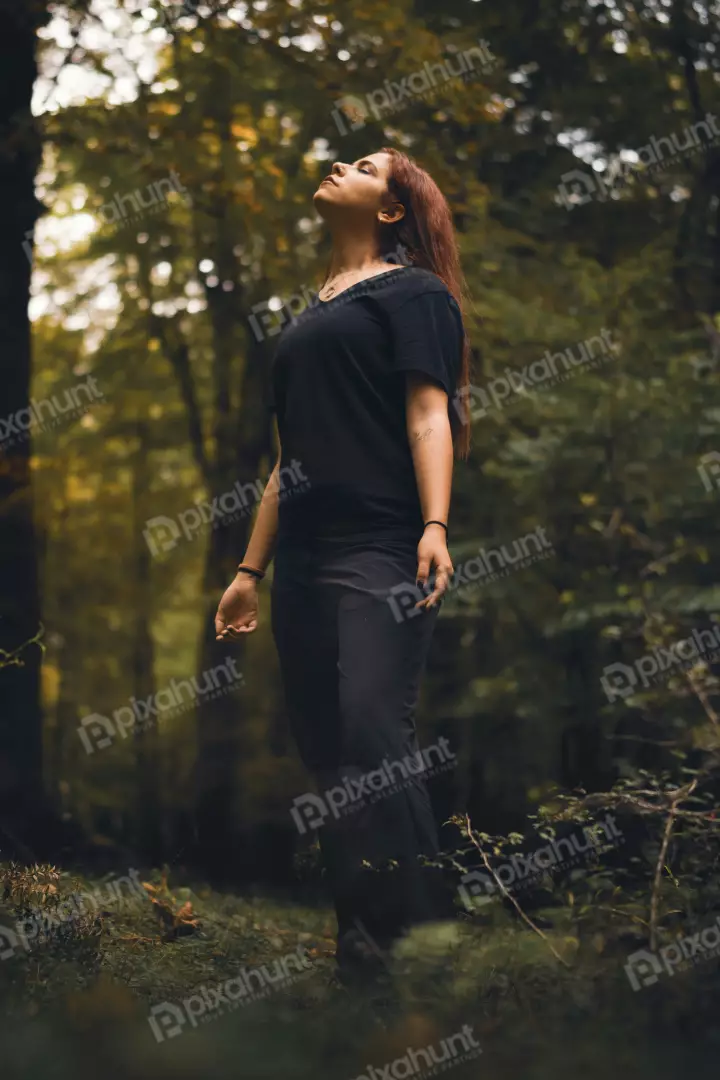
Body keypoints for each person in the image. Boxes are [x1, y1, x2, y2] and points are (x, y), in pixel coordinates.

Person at [214, 147, 471, 985]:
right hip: (306, 560)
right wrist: (251, 571)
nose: (336, 163)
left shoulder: (415, 294)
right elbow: (288, 459)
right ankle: (364, 960)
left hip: (384, 542)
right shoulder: (308, 318)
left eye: (363, 165)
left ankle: (432, 953)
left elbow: (429, 411)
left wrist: (434, 523)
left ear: (391, 209)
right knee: (327, 754)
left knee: (372, 728)